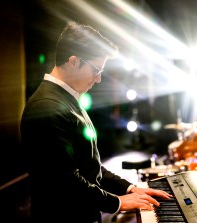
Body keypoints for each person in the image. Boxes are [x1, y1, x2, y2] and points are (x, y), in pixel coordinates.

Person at [20, 21, 172, 223]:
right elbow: (65, 181)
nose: (98, 79)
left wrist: (131, 189)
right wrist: (119, 202)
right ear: (73, 61)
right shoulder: (46, 107)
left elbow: (90, 167)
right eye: (96, 70)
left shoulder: (65, 98)